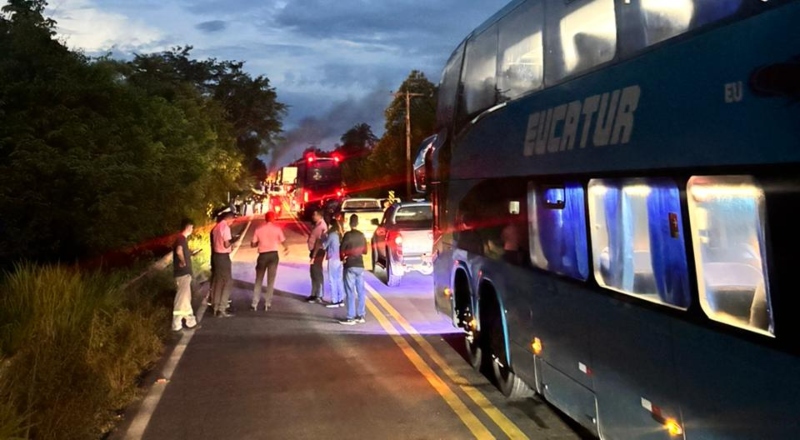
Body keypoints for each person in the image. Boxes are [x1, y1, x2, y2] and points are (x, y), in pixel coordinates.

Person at [250, 211, 289, 312]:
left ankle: (254, 303)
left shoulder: (259, 229)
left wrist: (259, 243)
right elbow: (283, 241)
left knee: (258, 280)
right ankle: (267, 303)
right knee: (270, 281)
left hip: (262, 256)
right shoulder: (277, 229)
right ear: (273, 218)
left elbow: (253, 244)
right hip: (273, 256)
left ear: (265, 218)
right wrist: (286, 248)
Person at [339, 214, 368, 325]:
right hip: (360, 265)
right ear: (358, 223)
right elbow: (365, 251)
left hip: (350, 265)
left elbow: (341, 249)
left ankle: (350, 317)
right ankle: (361, 315)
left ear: (350, 223)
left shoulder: (348, 235)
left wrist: (343, 258)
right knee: (360, 291)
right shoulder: (361, 235)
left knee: (350, 291)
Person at [172, 218, 198, 332]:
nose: (192, 229)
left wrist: (190, 253)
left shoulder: (181, 239)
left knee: (185, 299)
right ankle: (176, 324)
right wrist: (183, 261)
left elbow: (181, 251)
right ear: (187, 227)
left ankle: (190, 321)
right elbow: (179, 251)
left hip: (184, 274)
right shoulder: (181, 239)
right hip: (182, 273)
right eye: (191, 227)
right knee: (181, 300)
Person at [211, 211, 236, 317]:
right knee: (228, 282)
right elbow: (226, 244)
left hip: (216, 256)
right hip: (223, 257)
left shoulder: (216, 227)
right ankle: (222, 308)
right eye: (232, 220)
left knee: (219, 282)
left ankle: (215, 307)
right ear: (229, 218)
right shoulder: (226, 228)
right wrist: (233, 241)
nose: (232, 223)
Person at [322, 218, 345, 308]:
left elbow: (324, 246)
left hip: (333, 259)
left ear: (330, 225)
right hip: (340, 259)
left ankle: (334, 300)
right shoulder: (339, 234)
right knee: (339, 279)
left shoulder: (332, 235)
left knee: (332, 279)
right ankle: (340, 299)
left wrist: (323, 236)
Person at [306, 209, 327, 303]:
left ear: (319, 215)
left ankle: (318, 295)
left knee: (317, 272)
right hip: (314, 251)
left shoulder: (321, 226)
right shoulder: (317, 225)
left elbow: (318, 243)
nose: (313, 216)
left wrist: (313, 256)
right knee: (313, 273)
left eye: (314, 215)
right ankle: (314, 294)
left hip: (318, 252)